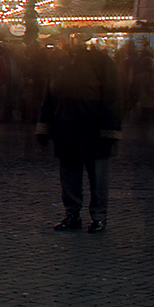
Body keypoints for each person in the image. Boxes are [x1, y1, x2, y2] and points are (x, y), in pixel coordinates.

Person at [37, 34, 121, 234]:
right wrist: (45, 125)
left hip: (92, 129)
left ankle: (97, 216)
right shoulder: (60, 65)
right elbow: (49, 98)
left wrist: (109, 129)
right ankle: (74, 214)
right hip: (67, 129)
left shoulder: (99, 64)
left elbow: (112, 98)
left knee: (96, 178)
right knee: (71, 177)